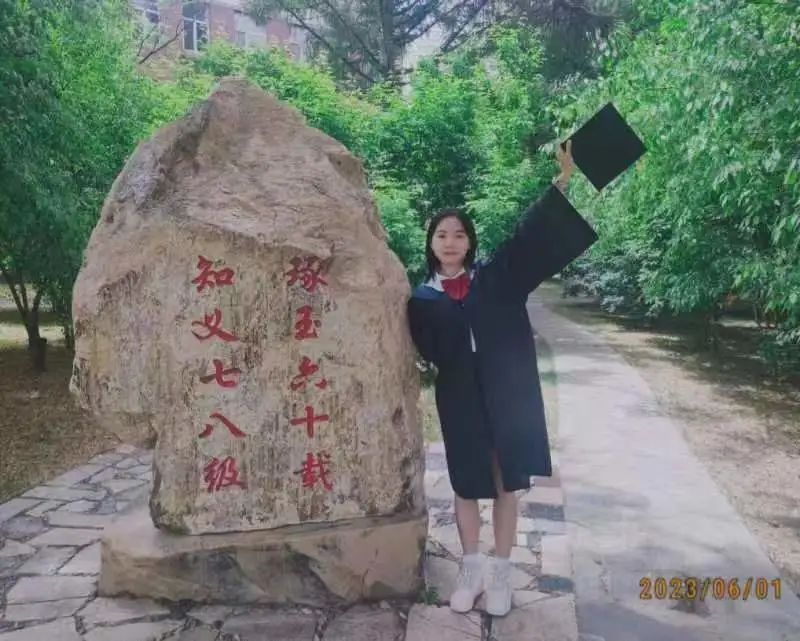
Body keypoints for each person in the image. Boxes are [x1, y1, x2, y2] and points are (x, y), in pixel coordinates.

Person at [406, 141, 598, 616]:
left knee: (504, 481)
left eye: (458, 234)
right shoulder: (422, 300)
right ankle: (470, 571)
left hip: (506, 396)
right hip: (459, 399)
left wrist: (563, 180)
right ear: (431, 245)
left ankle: (500, 574)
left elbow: (528, 239)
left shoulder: (495, 279)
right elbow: (427, 352)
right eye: (441, 235)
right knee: (465, 483)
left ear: (469, 242)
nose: (450, 242)